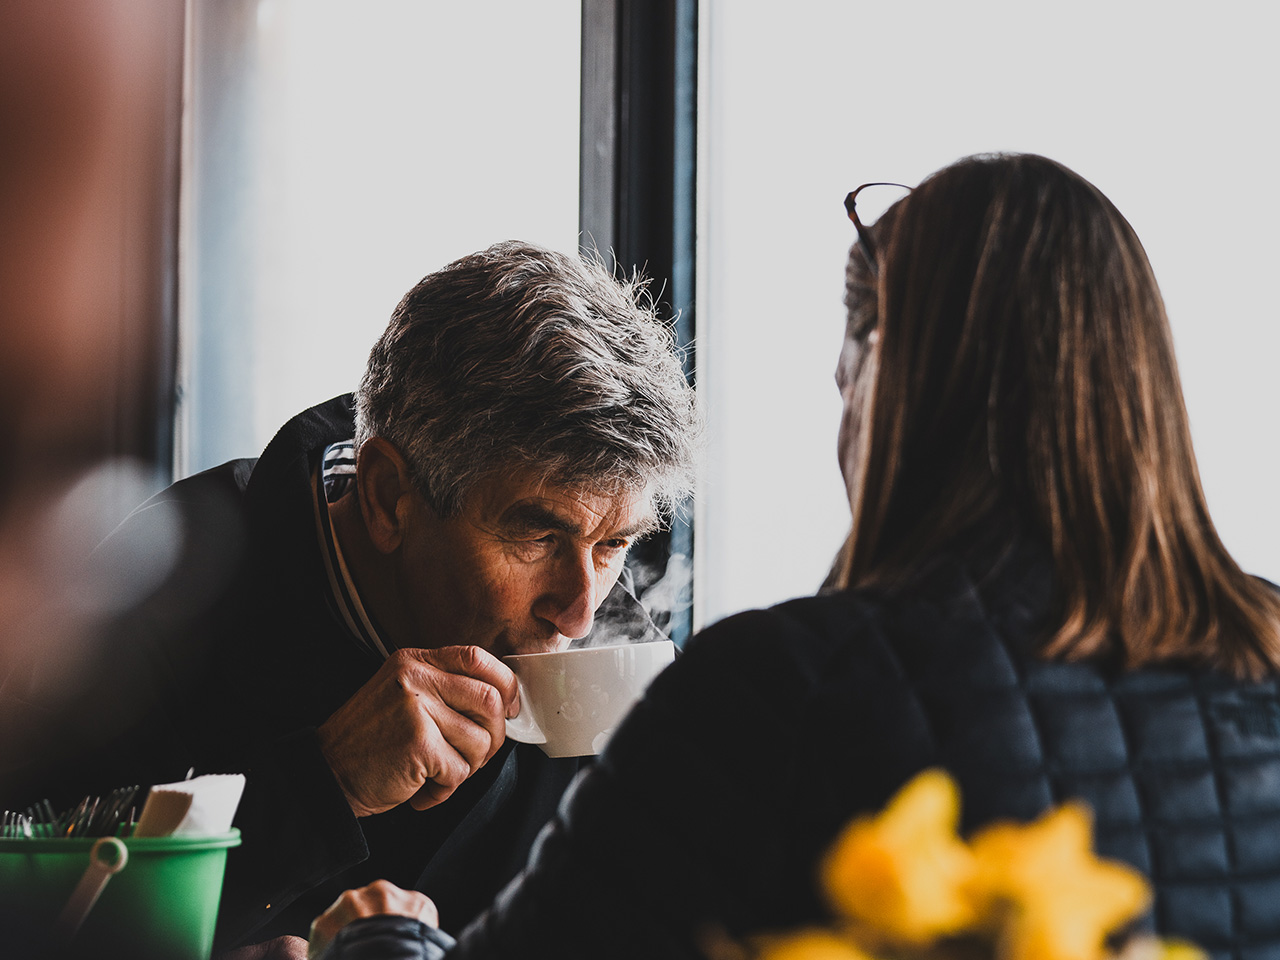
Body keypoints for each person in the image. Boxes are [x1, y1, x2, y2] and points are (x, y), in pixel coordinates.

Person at [309, 153, 1280, 960]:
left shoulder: (784, 687)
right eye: (537, 531)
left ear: (878, 370)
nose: (578, 600)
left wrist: (386, 941)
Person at [1, 240, 699, 955]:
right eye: (536, 536)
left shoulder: (609, 651)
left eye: (614, 545)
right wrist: (322, 785)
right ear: (390, 496)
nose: (581, 611)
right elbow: (31, 922)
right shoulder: (150, 598)